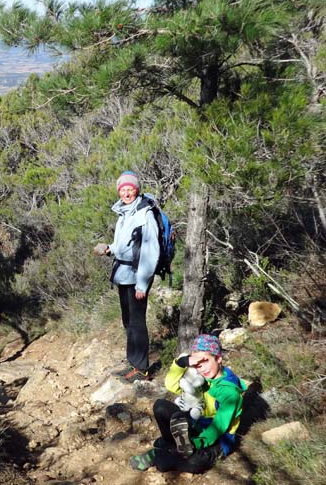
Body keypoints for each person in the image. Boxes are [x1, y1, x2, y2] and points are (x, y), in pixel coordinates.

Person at [129, 334, 247, 474]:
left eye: (205, 361)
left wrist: (195, 443)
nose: (201, 368)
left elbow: (219, 427)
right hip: (196, 425)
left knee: (194, 462)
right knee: (160, 406)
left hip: (218, 439)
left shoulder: (230, 393)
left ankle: (164, 453)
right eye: (197, 364)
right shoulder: (202, 377)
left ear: (219, 358)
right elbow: (171, 385)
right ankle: (173, 447)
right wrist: (181, 363)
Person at [94, 171, 159, 383]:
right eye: (123, 189)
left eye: (130, 188)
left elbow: (151, 251)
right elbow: (127, 245)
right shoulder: (125, 213)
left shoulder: (144, 214)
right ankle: (133, 363)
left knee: (137, 323)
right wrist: (109, 249)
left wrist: (142, 284)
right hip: (123, 275)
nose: (126, 192)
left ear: (137, 189)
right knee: (128, 321)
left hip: (136, 276)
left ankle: (141, 369)